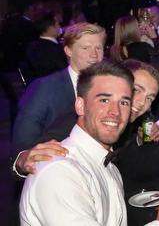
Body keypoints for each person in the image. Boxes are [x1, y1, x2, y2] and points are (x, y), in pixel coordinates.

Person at [19, 61, 159, 226]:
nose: (115, 111)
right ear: (80, 105)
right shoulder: (59, 170)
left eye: (124, 102)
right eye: (104, 100)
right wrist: (21, 160)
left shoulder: (109, 165)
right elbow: (40, 158)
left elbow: (130, 162)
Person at [13, 23, 105, 154]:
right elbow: (23, 143)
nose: (94, 55)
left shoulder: (108, 85)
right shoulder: (45, 88)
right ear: (69, 51)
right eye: (86, 48)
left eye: (99, 48)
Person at [24, 12, 67, 80]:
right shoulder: (55, 49)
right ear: (50, 28)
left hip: (39, 85)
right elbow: (65, 72)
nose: (60, 27)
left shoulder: (32, 47)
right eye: (58, 24)